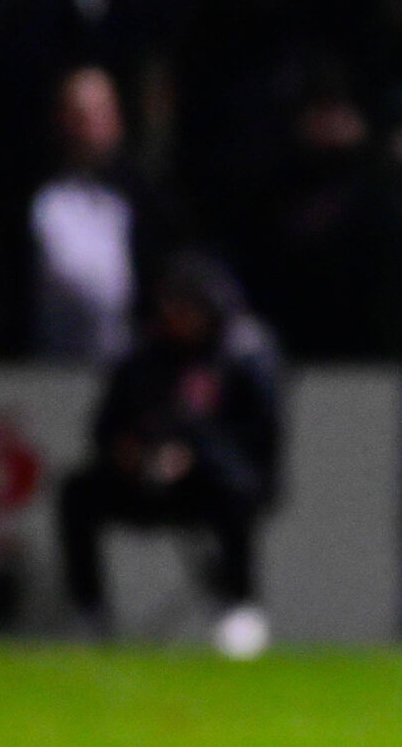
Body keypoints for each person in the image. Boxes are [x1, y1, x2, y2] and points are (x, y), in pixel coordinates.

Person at [58, 254, 281, 658]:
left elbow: (256, 440)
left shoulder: (241, 357)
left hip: (210, 484)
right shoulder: (144, 358)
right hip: (144, 480)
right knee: (76, 491)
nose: (177, 317)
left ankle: (239, 606)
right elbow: (105, 426)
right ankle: (88, 611)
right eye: (171, 306)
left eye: (187, 307)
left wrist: (195, 455)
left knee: (232, 496)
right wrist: (125, 451)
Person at [29, 66, 148, 362]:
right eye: (80, 115)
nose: (92, 126)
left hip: (129, 362)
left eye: (101, 112)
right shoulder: (45, 200)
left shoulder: (142, 198)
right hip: (53, 364)